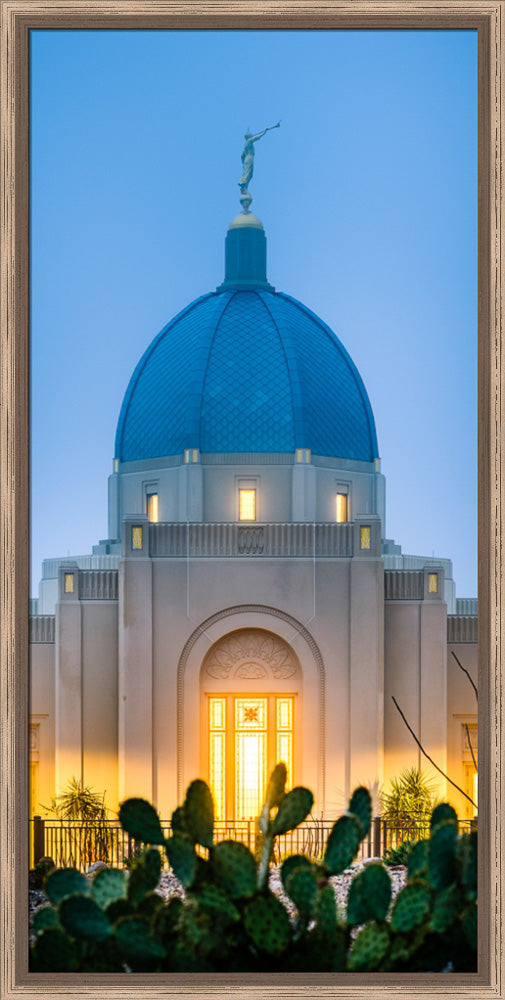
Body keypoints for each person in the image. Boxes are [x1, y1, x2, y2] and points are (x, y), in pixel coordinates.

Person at [238, 122, 280, 193]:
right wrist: (264, 132)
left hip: (246, 160)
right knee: (248, 173)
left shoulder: (245, 144)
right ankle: (243, 184)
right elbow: (257, 137)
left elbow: (242, 155)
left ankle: (244, 186)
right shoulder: (249, 141)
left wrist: (243, 162)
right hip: (249, 158)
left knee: (248, 173)